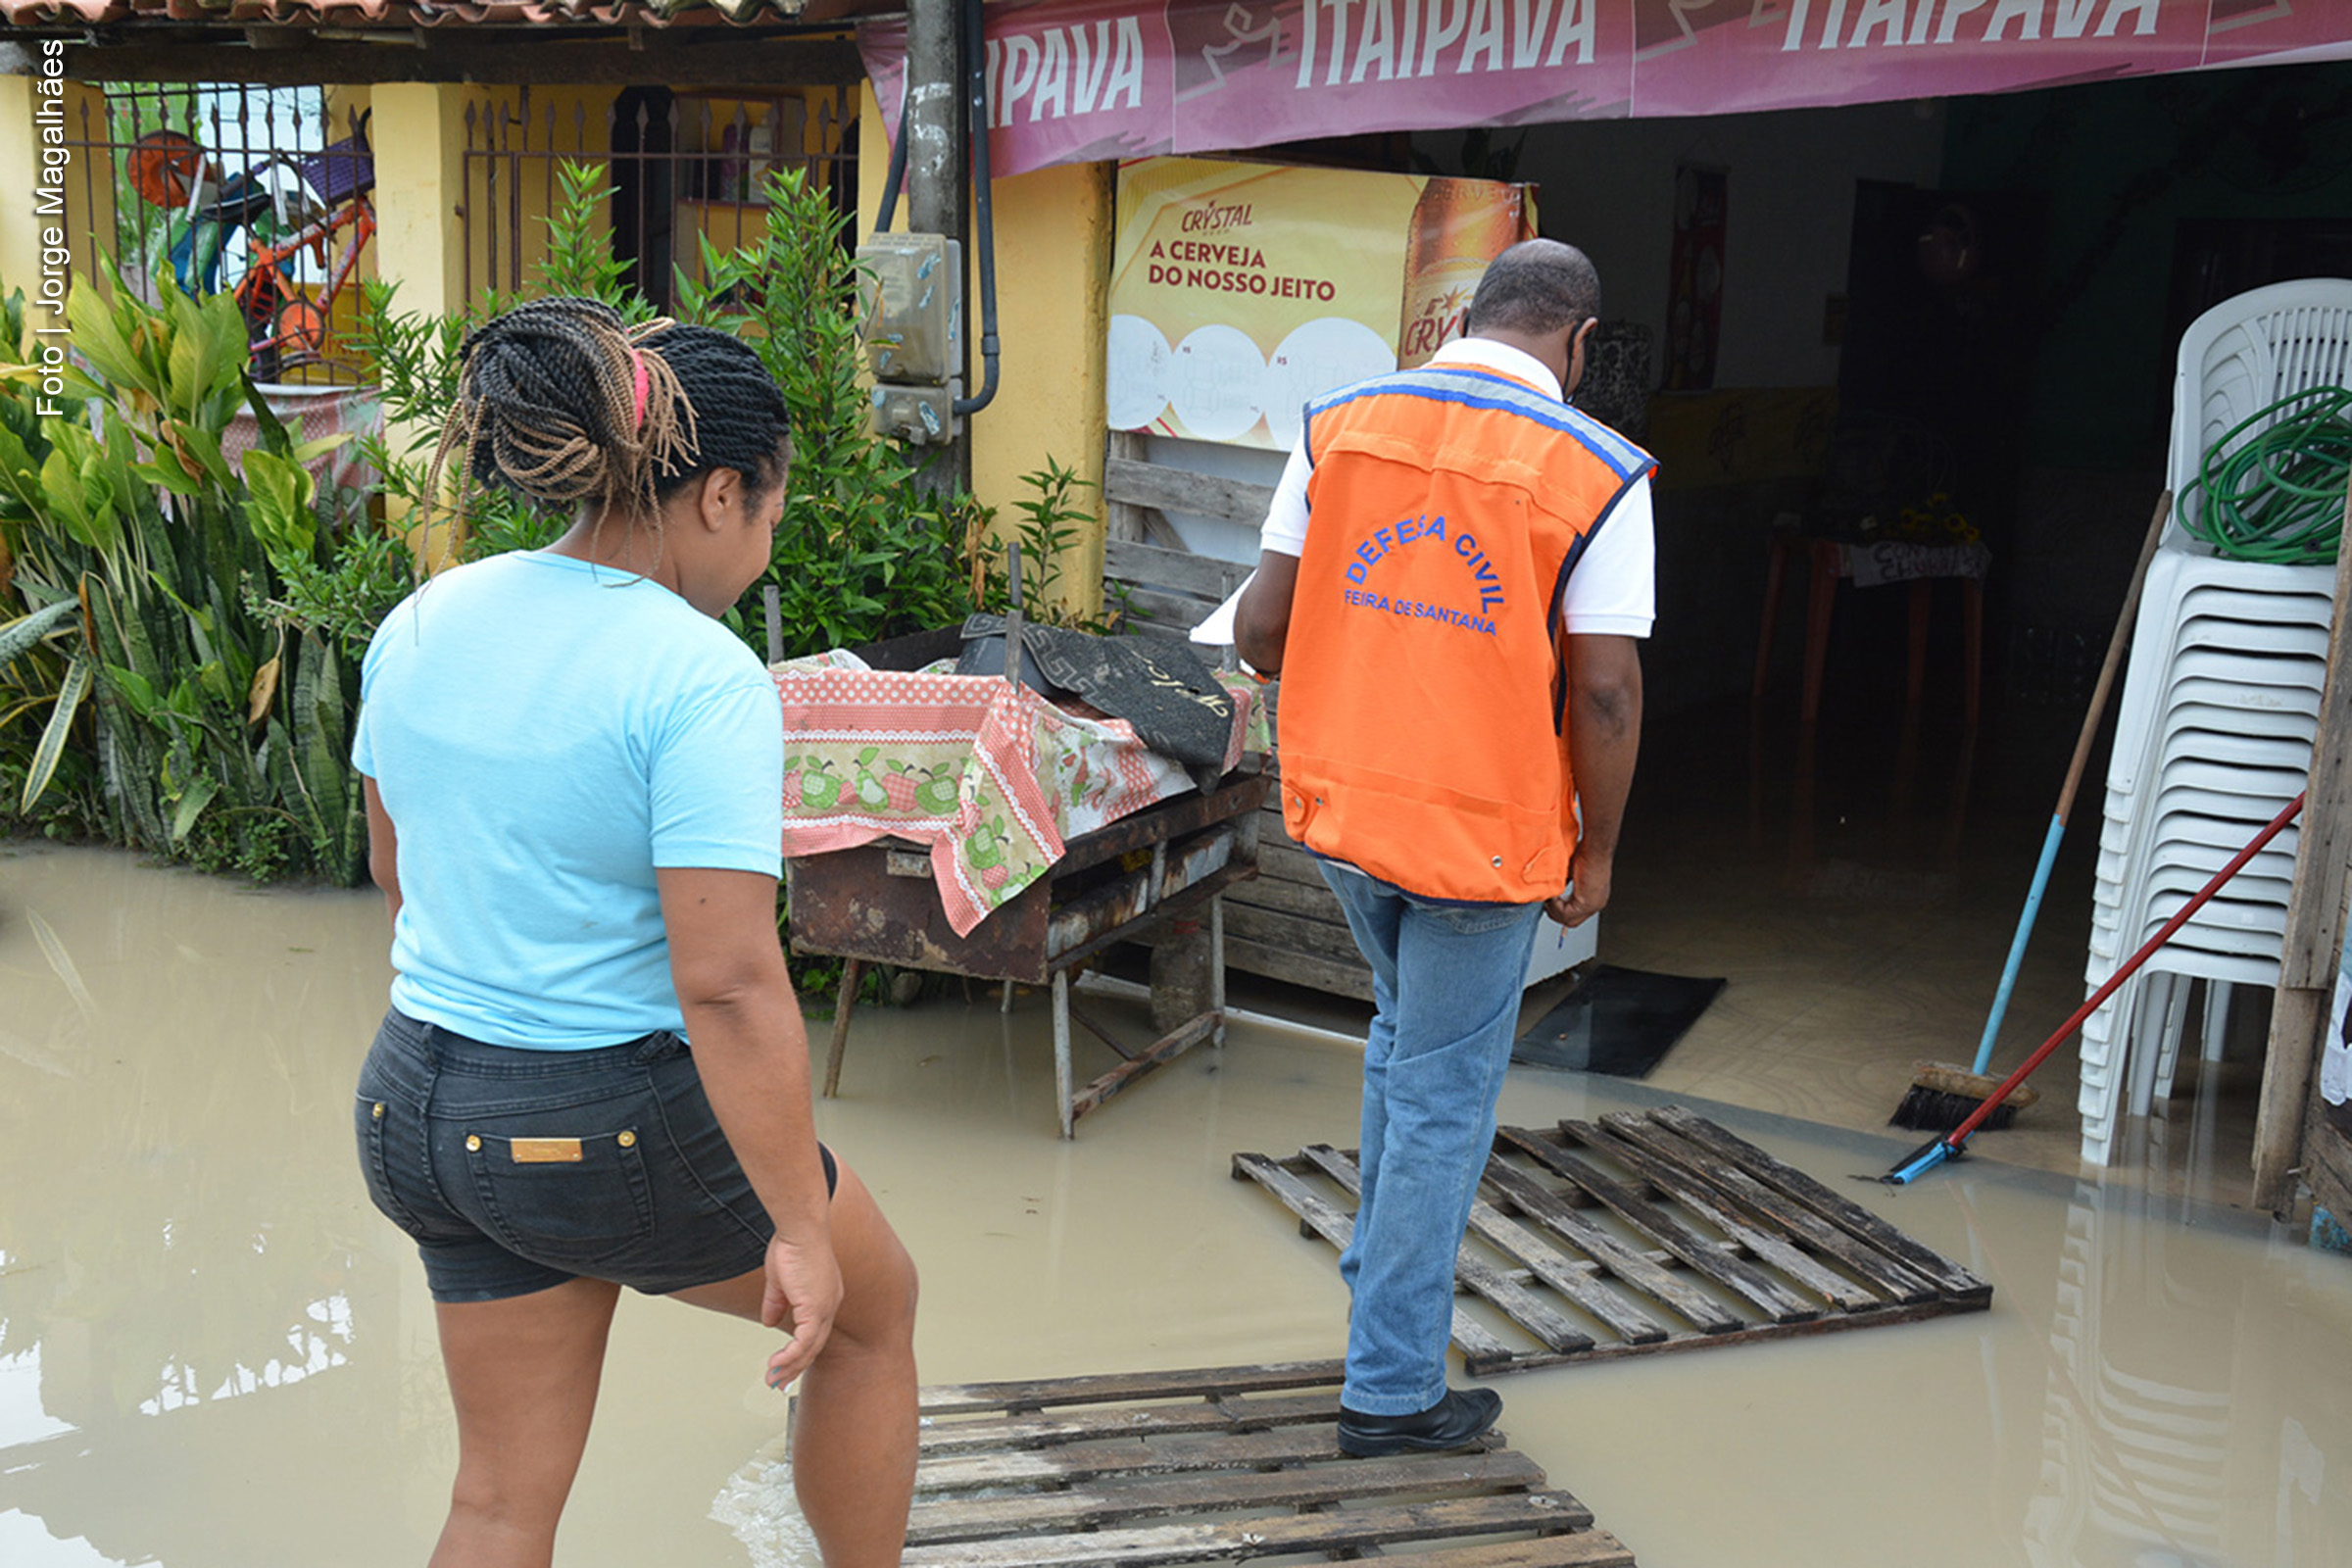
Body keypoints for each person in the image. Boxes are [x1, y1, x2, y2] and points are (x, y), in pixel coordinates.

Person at [351, 297, 918, 1567]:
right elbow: (725, 983)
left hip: (413, 1107)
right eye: (770, 511)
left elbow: (399, 876)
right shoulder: (695, 673)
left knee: (499, 1499)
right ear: (722, 494)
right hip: (596, 1117)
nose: (763, 544)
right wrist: (800, 1229)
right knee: (875, 1315)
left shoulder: (427, 619)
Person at [1233, 240, 1653, 1457]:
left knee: (1401, 1040)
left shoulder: (1341, 426)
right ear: (1577, 341)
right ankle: (1394, 1387)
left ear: (1469, 318)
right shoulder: (1598, 471)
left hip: (1347, 819)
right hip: (1486, 842)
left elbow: (1264, 627)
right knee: (1443, 1098)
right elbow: (1610, 694)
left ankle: (1382, 1274)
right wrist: (1603, 854)